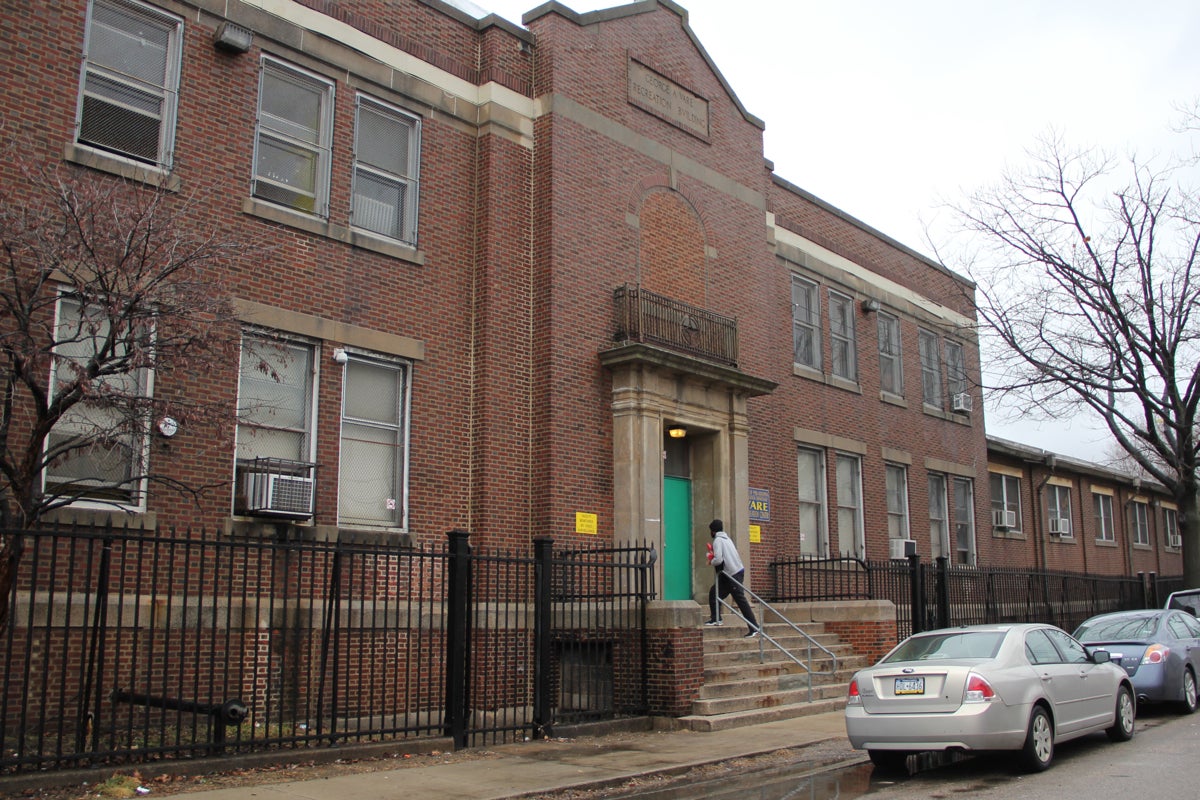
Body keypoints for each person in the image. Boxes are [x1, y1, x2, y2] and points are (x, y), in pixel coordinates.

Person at [704, 519, 759, 637]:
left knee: (740, 600)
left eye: (710, 531)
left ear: (713, 531)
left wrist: (711, 561)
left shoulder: (718, 540)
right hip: (734, 571)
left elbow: (718, 559)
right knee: (714, 593)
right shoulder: (727, 539)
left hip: (732, 574)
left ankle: (754, 627)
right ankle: (716, 618)